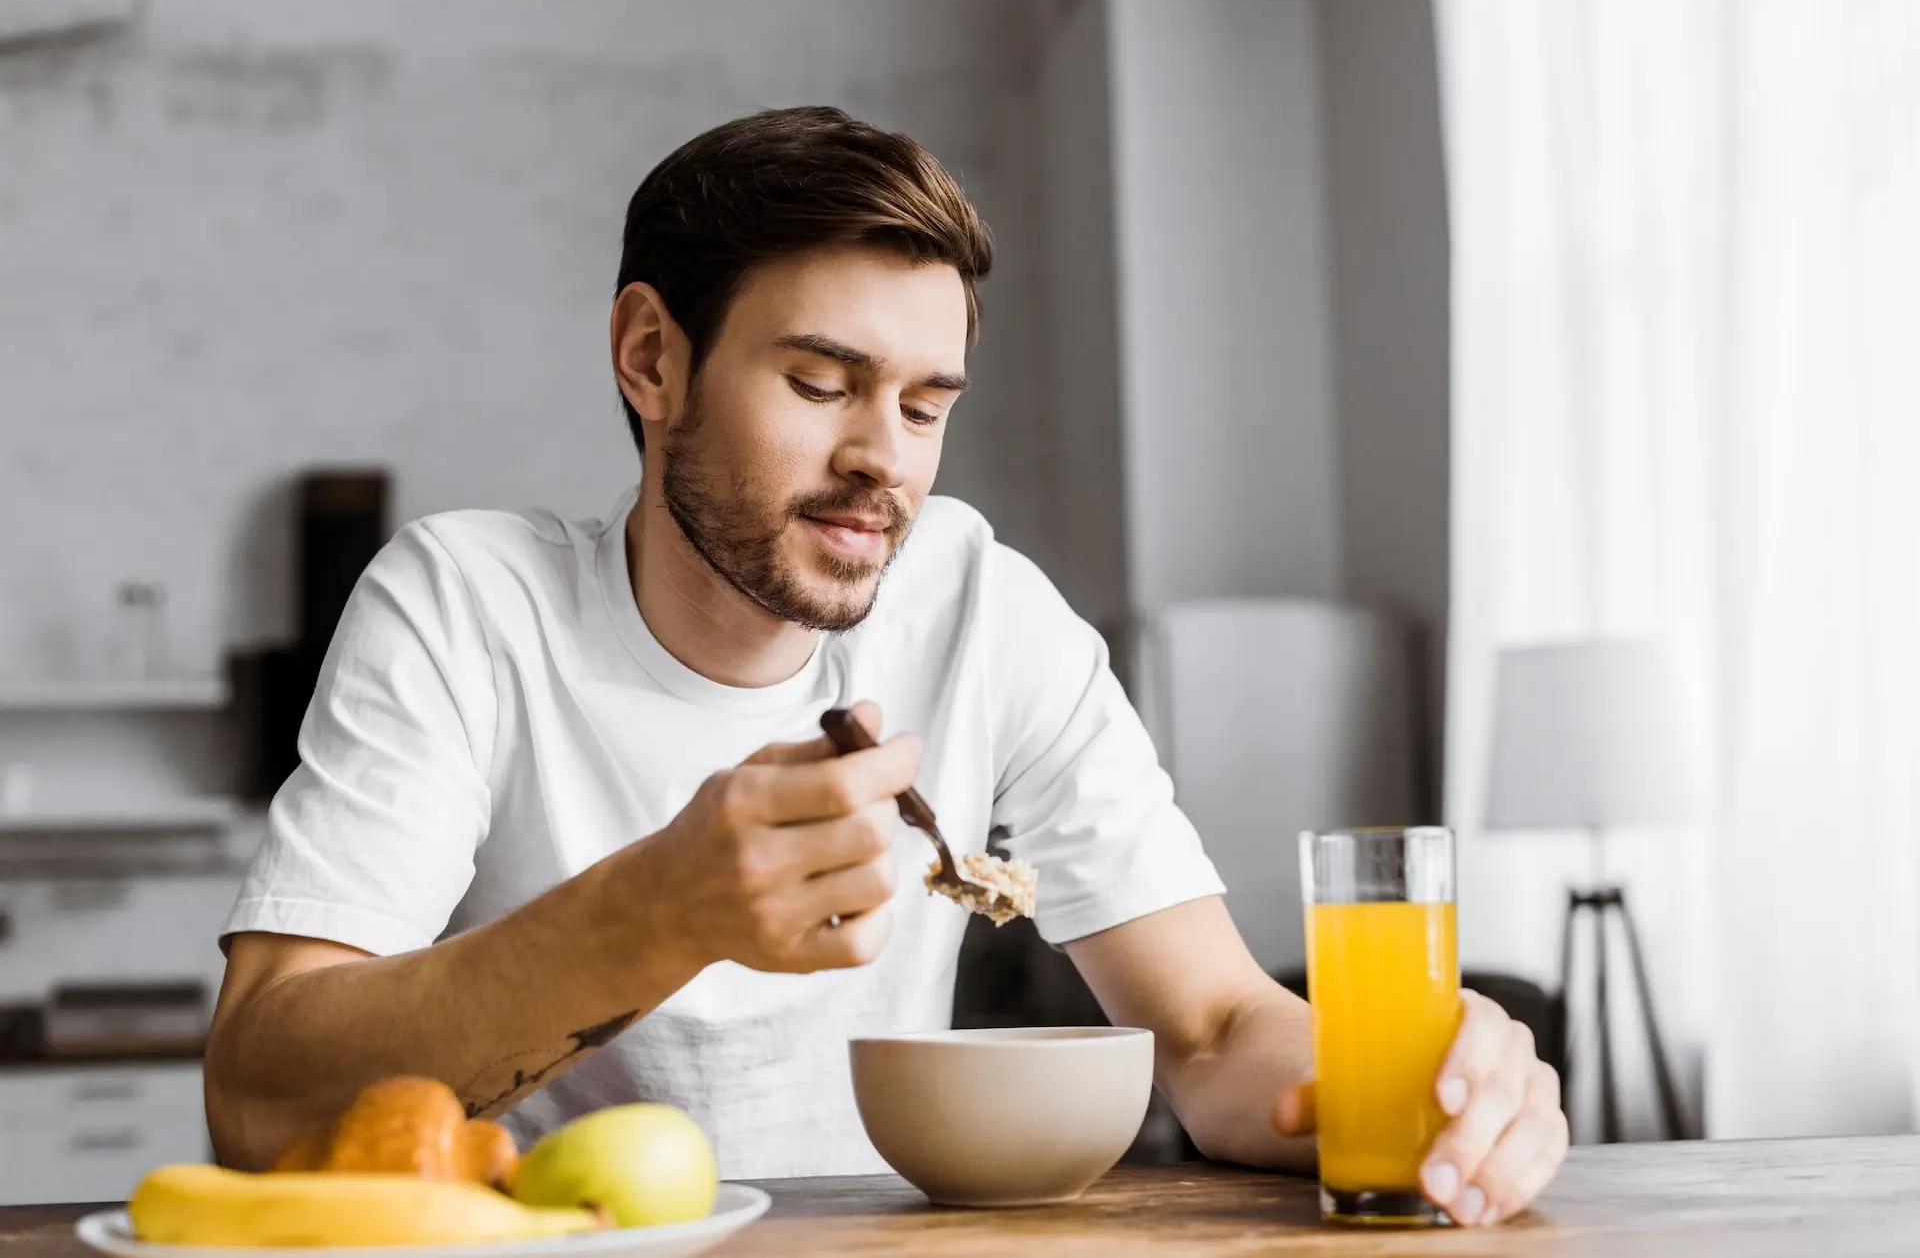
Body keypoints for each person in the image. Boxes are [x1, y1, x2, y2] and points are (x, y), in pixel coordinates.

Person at [206, 106, 1566, 1226]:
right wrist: (660, 910)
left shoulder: (982, 607)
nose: (884, 460)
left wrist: (1428, 1080)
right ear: (650, 357)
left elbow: (1211, 1032)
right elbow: (263, 1099)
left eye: (925, 407)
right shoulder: (466, 606)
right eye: (819, 384)